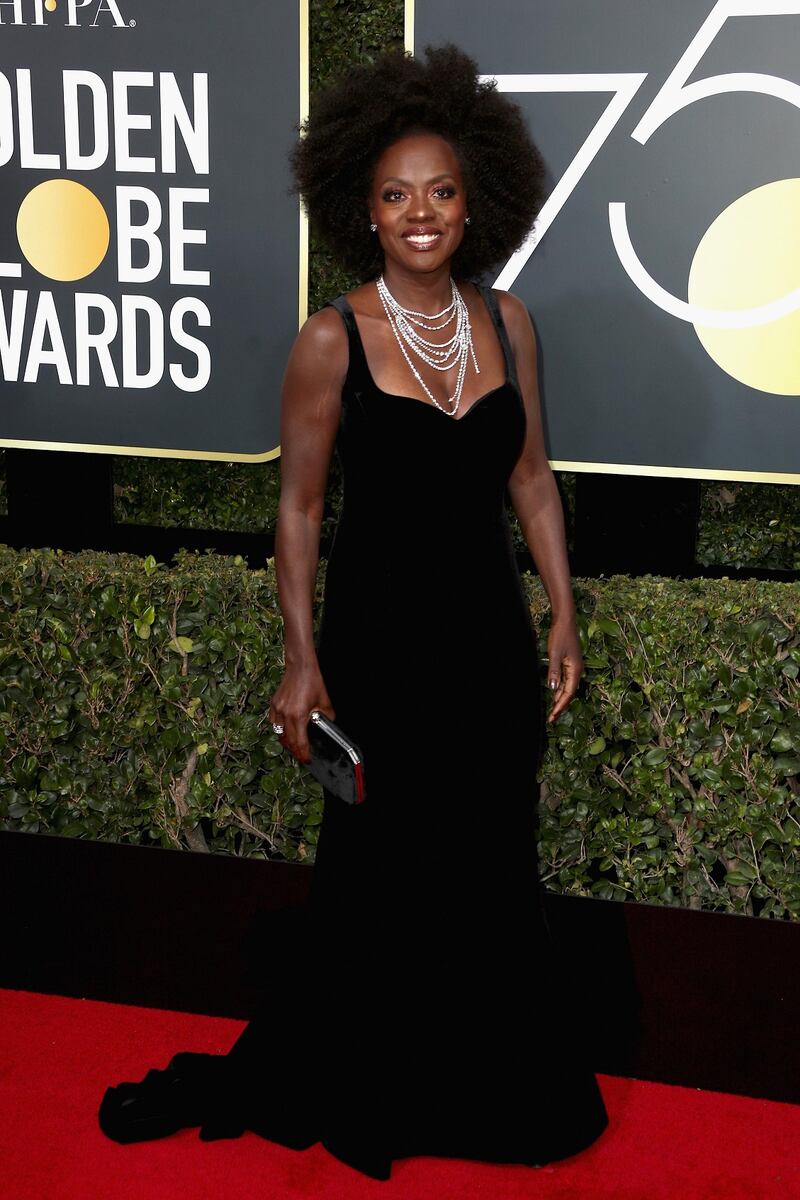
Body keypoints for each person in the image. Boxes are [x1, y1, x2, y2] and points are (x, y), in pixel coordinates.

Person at [98, 43, 610, 1181]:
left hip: (484, 646)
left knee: (485, 866)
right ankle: (369, 1081)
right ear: (362, 212)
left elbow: (531, 481)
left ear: (474, 199)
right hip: (377, 651)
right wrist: (299, 659)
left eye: (438, 191)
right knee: (380, 881)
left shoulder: (508, 323)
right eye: (394, 195)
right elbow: (297, 508)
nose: (418, 213)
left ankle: (480, 1087)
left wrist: (562, 613)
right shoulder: (331, 337)